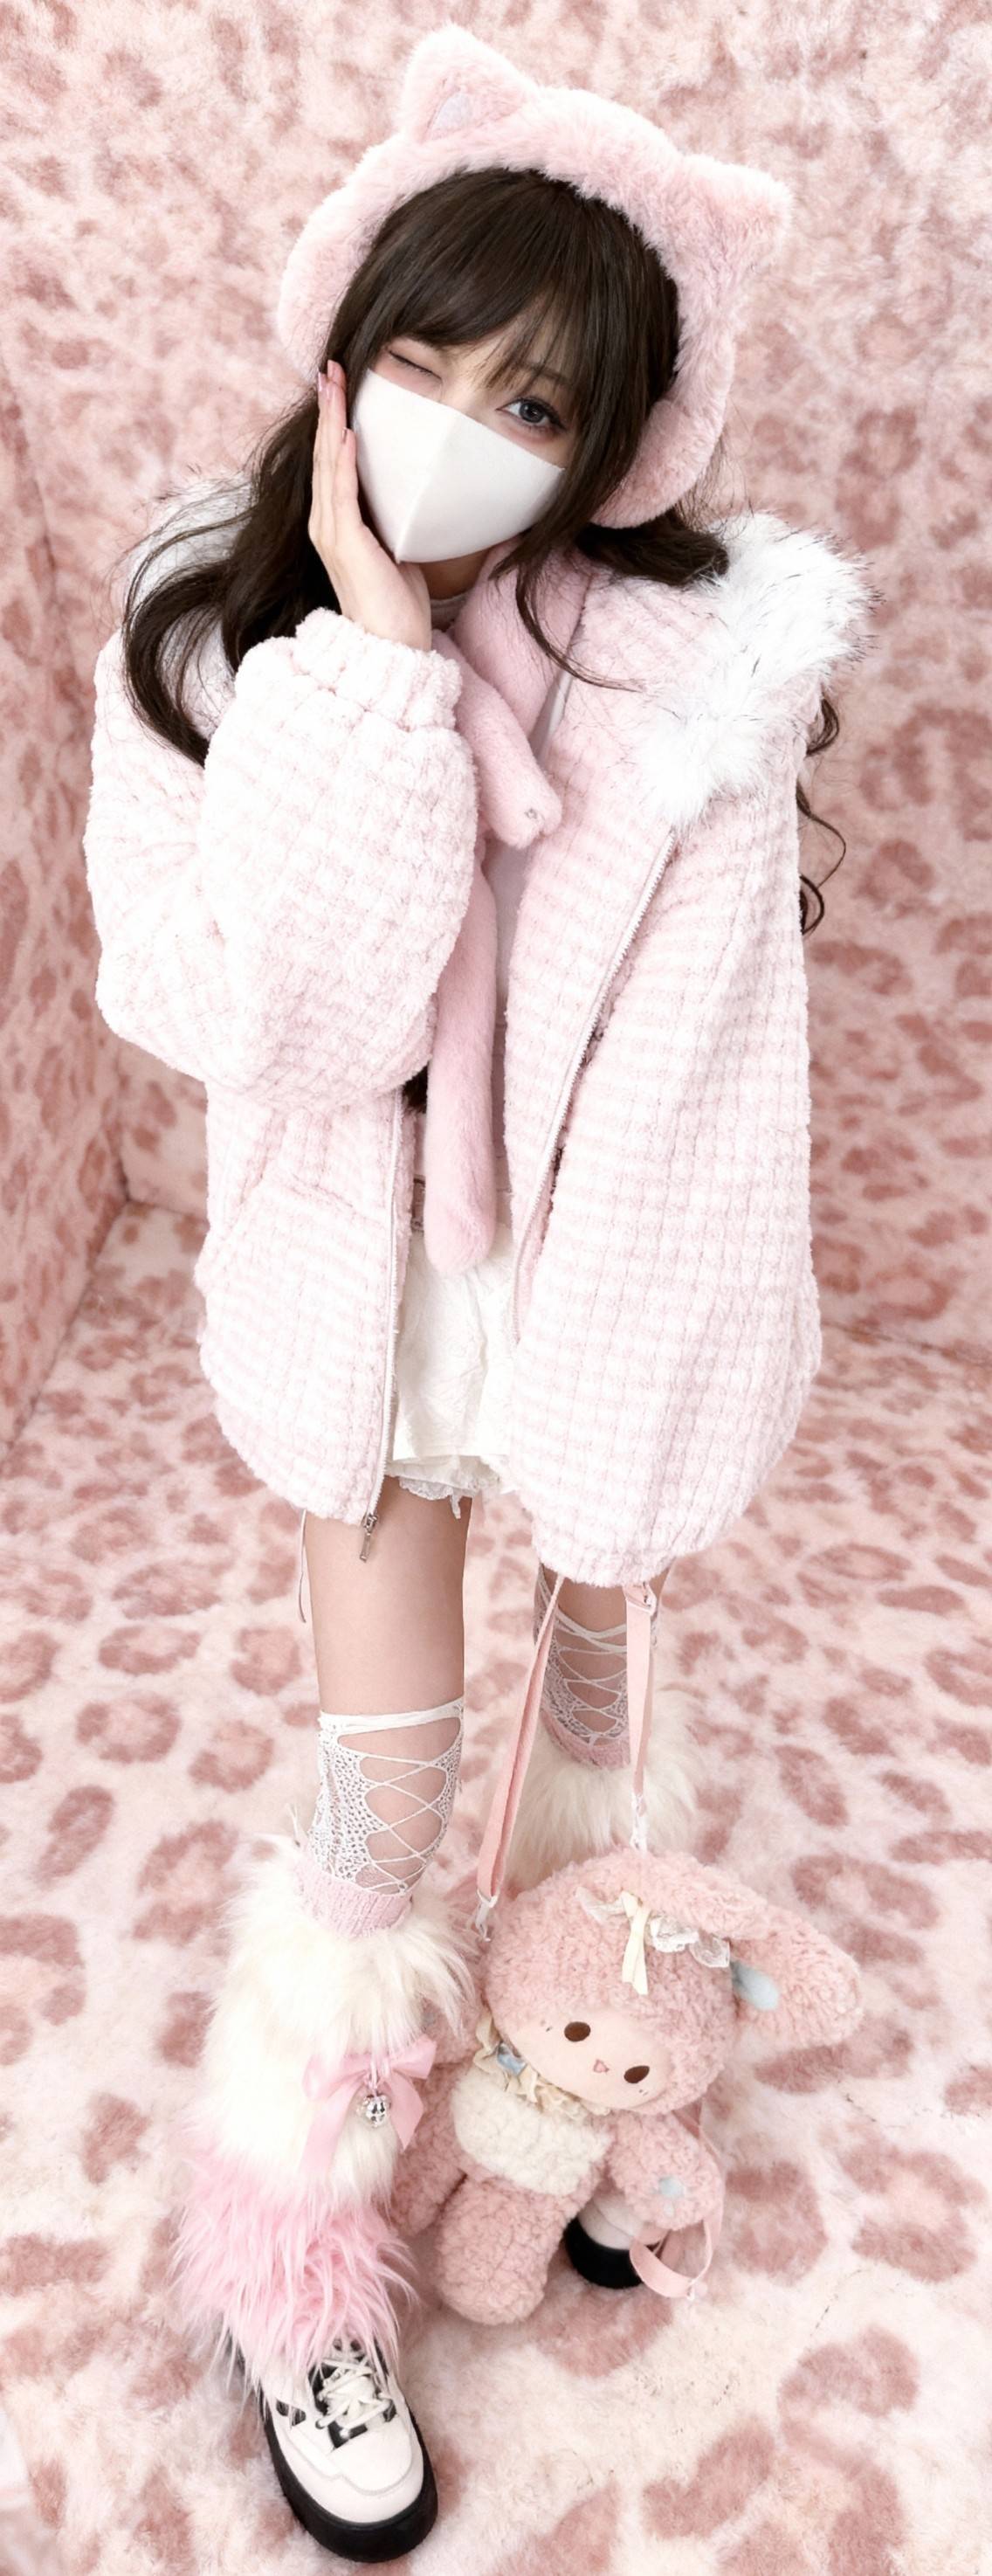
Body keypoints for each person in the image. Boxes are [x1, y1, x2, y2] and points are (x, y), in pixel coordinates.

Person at [80, 25, 876, 2563]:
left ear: (614, 444)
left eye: (533, 401)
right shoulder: (205, 629)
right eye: (426, 361)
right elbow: (273, 1017)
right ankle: (299, 2263)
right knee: (380, 1791)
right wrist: (371, 654)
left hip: (601, 1288)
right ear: (343, 345)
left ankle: (566, 2097)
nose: (464, 430)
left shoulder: (694, 680)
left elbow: (716, 1088)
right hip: (366, 1309)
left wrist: (632, 1423)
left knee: (601, 1740)